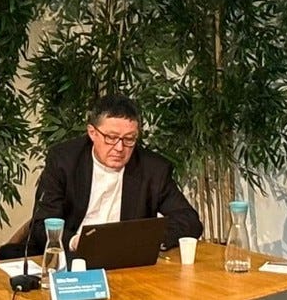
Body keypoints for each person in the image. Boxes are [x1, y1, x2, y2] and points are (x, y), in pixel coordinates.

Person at [16, 94, 202, 256]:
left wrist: (144, 241)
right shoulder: (64, 161)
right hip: (72, 255)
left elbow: (189, 221)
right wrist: (74, 242)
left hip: (126, 260)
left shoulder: (153, 169)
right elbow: (41, 225)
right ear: (92, 133)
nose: (120, 148)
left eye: (129, 139)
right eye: (111, 138)